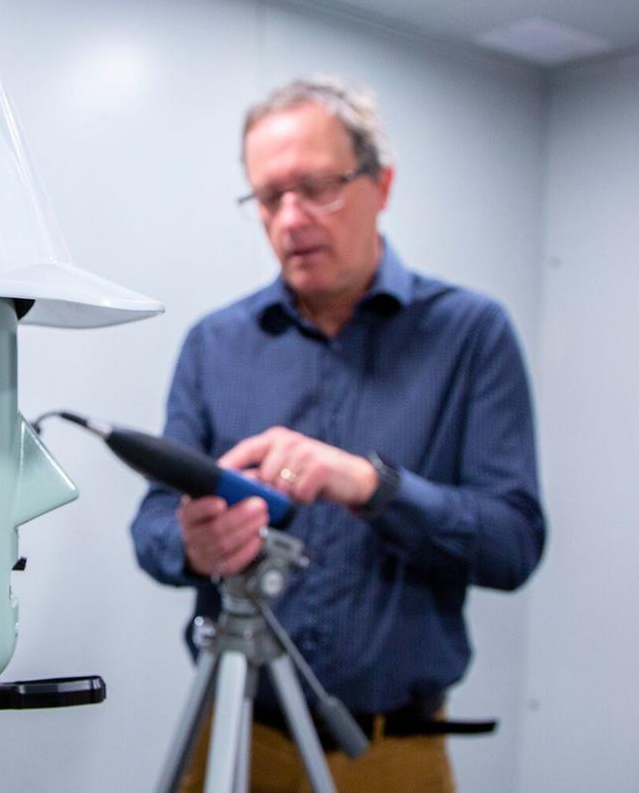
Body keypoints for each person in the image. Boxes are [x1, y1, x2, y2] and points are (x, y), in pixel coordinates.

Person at [130, 76, 546, 793]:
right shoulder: (214, 344)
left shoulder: (472, 334)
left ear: (381, 185)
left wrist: (373, 485)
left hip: (391, 754)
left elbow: (512, 545)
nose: (290, 219)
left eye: (317, 187)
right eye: (268, 197)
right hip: (237, 735)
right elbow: (152, 526)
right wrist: (193, 546)